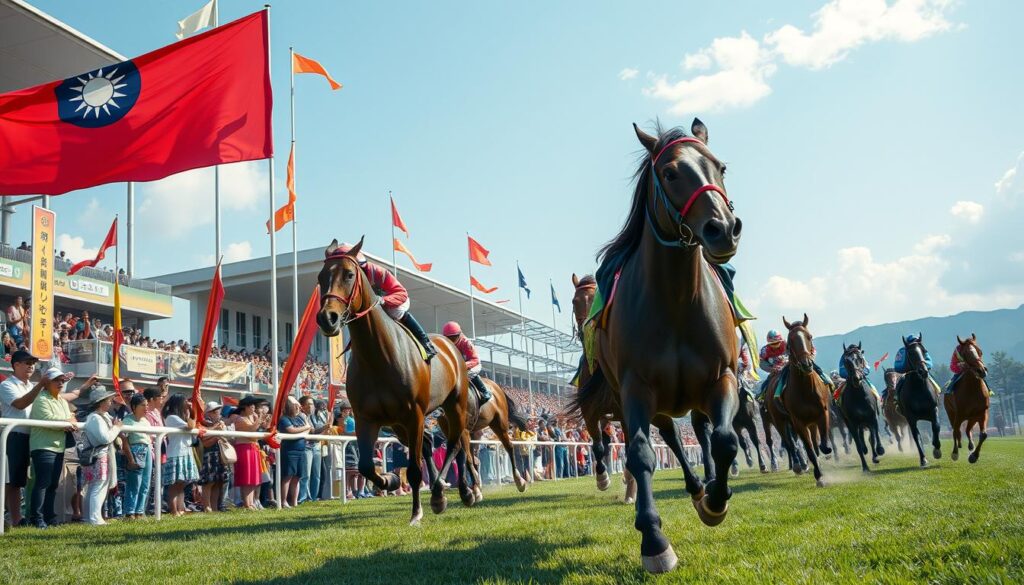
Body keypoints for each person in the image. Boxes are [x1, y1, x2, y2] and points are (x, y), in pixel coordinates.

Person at [332, 242, 437, 361]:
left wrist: (383, 300)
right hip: (374, 304)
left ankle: (426, 343)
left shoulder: (379, 273)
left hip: (395, 301)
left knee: (394, 312)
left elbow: (401, 294)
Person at [27, 366, 78, 528]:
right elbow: (50, 419)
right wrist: (68, 421)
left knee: (52, 484)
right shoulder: (41, 399)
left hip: (57, 447)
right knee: (43, 483)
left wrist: (69, 421)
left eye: (62, 380)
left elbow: (71, 418)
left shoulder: (61, 400)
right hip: (43, 446)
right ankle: (37, 518)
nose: (60, 383)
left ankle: (48, 517)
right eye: (56, 380)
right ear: (46, 382)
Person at [79, 384, 122, 525]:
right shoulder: (95, 418)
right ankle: (94, 518)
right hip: (99, 456)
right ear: (101, 402)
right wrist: (116, 428)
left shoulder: (101, 417)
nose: (111, 402)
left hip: (100, 456)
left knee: (95, 487)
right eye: (108, 400)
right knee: (98, 486)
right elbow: (105, 438)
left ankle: (91, 517)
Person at [228, 396, 268, 510]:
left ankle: (250, 502)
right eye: (251, 405)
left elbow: (259, 430)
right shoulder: (239, 419)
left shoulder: (251, 417)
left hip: (253, 447)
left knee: (253, 477)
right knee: (246, 477)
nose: (254, 408)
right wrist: (259, 420)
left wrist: (261, 420)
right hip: (244, 448)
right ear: (245, 407)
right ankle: (246, 503)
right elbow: (250, 431)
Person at [161, 395, 198, 517]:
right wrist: (191, 411)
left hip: (185, 452)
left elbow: (192, 425)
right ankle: (174, 510)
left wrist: (190, 412)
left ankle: (181, 508)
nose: (187, 403)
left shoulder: (181, 417)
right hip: (176, 453)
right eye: (185, 401)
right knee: (174, 485)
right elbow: (191, 426)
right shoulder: (171, 417)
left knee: (181, 484)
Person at [441, 321, 492, 404]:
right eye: (449, 338)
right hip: (459, 366)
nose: (451, 341)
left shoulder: (466, 343)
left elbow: (475, 360)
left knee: (466, 374)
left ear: (459, 335)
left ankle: (485, 392)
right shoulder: (446, 344)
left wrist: (461, 366)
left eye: (454, 338)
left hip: (474, 364)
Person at [121, 393, 152, 519]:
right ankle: (130, 512)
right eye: (143, 405)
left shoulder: (146, 421)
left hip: (147, 450)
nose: (146, 408)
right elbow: (124, 441)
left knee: (145, 483)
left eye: (147, 405)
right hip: (135, 449)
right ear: (134, 406)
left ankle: (139, 511)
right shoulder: (127, 421)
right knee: (134, 483)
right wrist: (130, 459)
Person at [278, 397, 311, 508]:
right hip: (289, 451)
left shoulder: (300, 418)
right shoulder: (284, 419)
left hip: (301, 451)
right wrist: (305, 428)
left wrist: (305, 425)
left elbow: (308, 430)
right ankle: (283, 501)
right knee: (287, 477)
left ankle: (294, 501)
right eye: (295, 404)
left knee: (297, 477)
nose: (298, 407)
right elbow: (291, 430)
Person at [199, 401, 231, 513]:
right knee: (208, 482)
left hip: (219, 454)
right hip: (209, 454)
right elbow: (205, 442)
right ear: (209, 412)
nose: (218, 413)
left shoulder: (219, 424)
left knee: (218, 481)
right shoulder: (203, 423)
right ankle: (207, 507)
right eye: (215, 411)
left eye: (218, 410)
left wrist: (219, 433)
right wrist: (218, 433)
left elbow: (226, 438)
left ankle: (215, 507)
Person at [757, 330, 788, 401]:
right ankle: (761, 398)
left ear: (781, 340)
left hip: (789, 368)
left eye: (777, 343)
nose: (775, 345)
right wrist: (771, 369)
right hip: (775, 372)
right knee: (765, 384)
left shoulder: (787, 345)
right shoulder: (764, 350)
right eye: (772, 343)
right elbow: (761, 363)